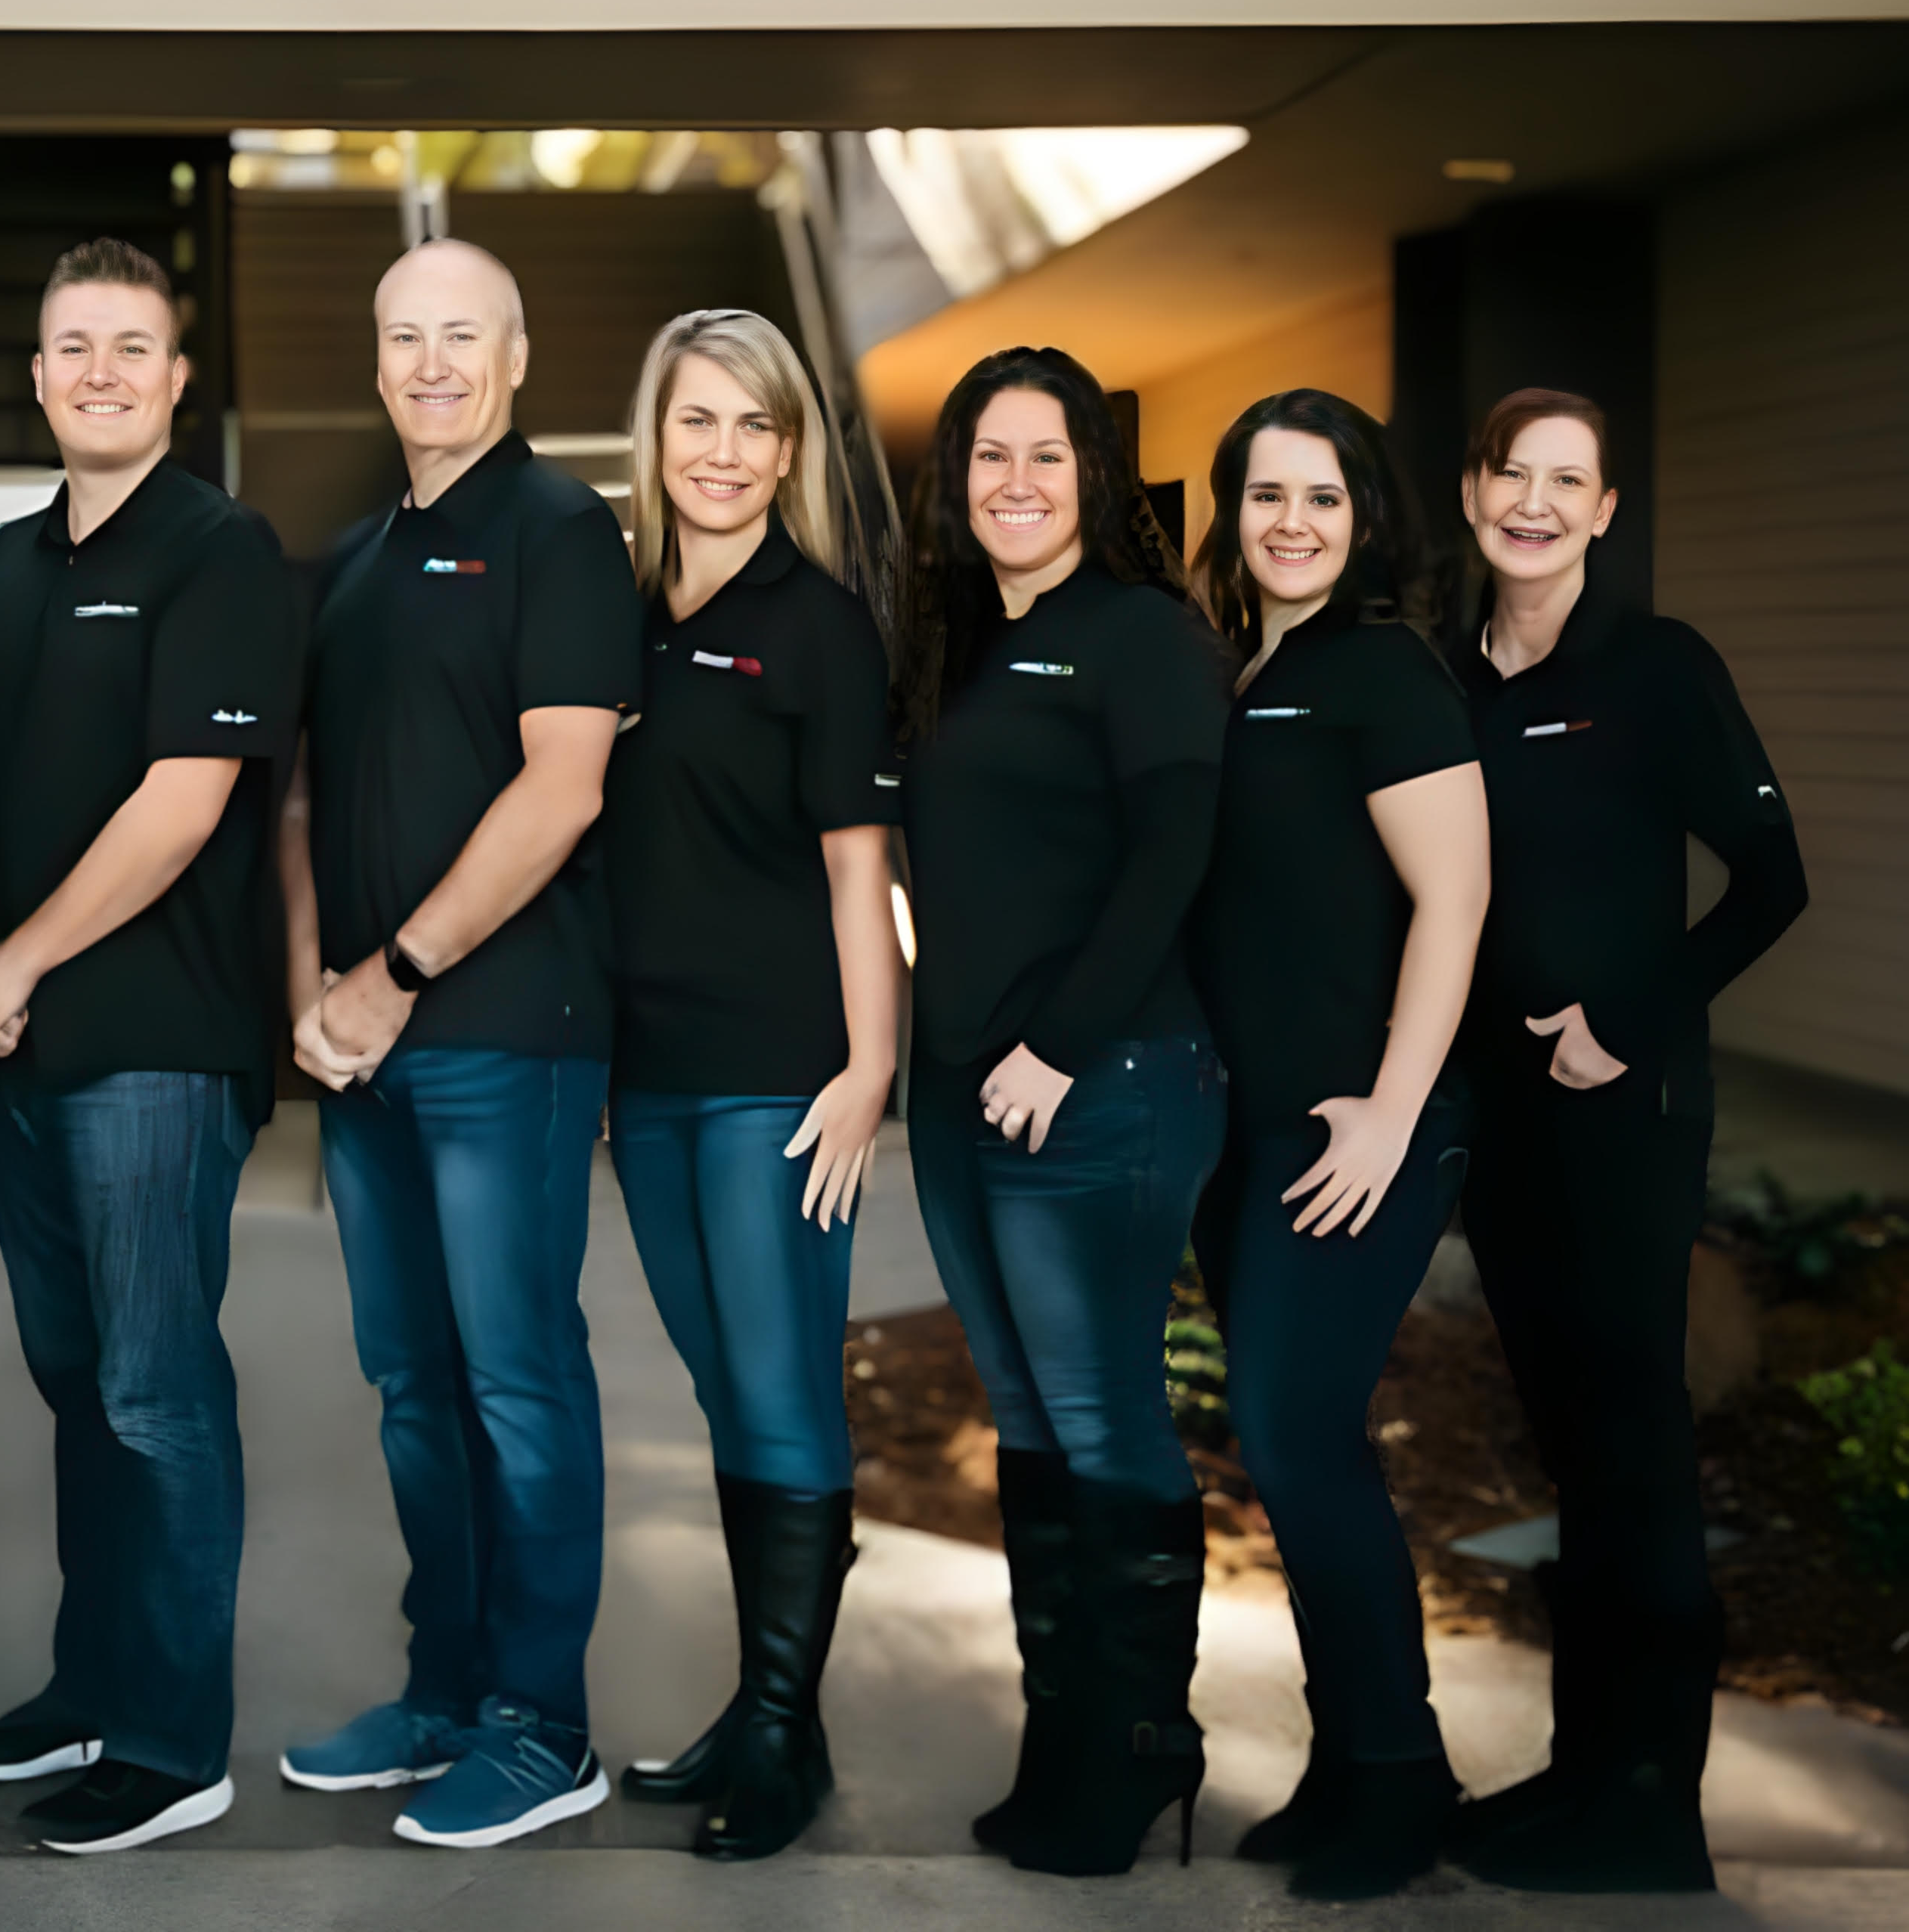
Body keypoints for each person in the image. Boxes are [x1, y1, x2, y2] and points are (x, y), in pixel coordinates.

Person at [0, 239, 296, 1855]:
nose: (99, 371)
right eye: (72, 346)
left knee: (155, 1390)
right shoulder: (0, 566)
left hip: (156, 1042)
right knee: (76, 1386)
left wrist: (13, 959)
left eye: (130, 346)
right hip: (17, 1040)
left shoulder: (222, 550)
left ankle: (171, 1738)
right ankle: (92, 1686)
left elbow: (185, 801)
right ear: (35, 375)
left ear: (175, 378)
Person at [280, 238, 642, 1850]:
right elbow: (307, 796)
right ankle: (445, 1692)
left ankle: (542, 1725)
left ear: (515, 357)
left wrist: (396, 971)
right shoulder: (357, 557)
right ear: (376, 361)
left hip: (504, 1029)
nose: (431, 363)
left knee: (516, 1377)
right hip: (366, 1042)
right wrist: (317, 986)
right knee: (412, 1384)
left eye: (462, 335)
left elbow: (563, 786)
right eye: (404, 336)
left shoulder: (560, 530)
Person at [874, 346, 1232, 1877]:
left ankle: (1143, 1742)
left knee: (1100, 1412)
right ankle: (1065, 1732)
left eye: (1045, 454)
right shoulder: (957, 642)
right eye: (987, 456)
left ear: (1094, 474)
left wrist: (1060, 1046)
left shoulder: (1143, 636)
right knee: (1025, 1417)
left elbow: (1173, 857)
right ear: (953, 481)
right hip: (967, 1094)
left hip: (1101, 1083)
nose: (1014, 483)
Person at [1440, 390, 1803, 1895]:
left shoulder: (1656, 667)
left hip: (1623, 1110)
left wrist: (1629, 1021)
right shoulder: (1449, 678)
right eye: (1510, 472)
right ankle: (1581, 1772)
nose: (1533, 501)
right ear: (1472, 493)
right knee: (1572, 1450)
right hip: (1504, 1122)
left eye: (1566, 480)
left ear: (1601, 511)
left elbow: (1771, 877)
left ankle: (1653, 1810)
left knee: (1635, 1452)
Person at [596, 311, 899, 1861]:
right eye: (696, 421)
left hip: (778, 1076)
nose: (722, 454)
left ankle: (777, 1732)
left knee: (779, 1392)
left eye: (754, 426)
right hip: (646, 1078)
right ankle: (774, 1706)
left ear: (790, 451)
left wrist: (868, 1067)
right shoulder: (618, 613)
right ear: (655, 437)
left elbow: (859, 871)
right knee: (724, 1388)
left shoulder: (818, 624)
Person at [1180, 391, 1489, 1898]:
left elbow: (1453, 897)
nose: (1289, 522)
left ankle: (1399, 1773)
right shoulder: (1249, 669)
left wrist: (1392, 1106)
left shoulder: (1381, 670)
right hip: (1248, 1131)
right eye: (1263, 494)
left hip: (1357, 1127)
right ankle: (1350, 1755)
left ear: (1365, 514)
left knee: (1298, 1436)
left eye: (1320, 495)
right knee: (1287, 1446)